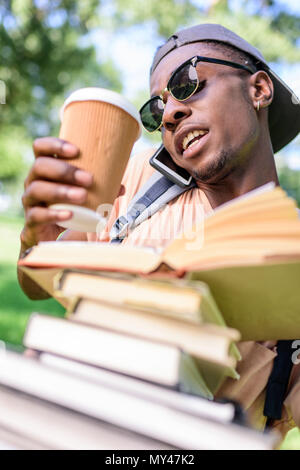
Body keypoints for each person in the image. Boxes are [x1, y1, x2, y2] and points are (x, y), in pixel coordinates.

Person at [18, 24, 300, 441]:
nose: (169, 114)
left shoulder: (292, 254)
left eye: (188, 83)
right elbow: (35, 285)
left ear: (258, 88)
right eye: (156, 109)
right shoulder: (130, 182)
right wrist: (36, 237)